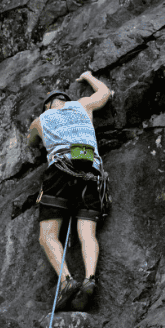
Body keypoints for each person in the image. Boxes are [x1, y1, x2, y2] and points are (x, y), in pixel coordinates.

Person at [27, 71, 112, 310]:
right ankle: (90, 279)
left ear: (48, 105)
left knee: (48, 235)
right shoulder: (82, 105)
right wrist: (88, 76)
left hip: (60, 171)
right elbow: (104, 93)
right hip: (90, 169)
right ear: (66, 100)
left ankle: (66, 281)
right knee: (87, 233)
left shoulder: (41, 120)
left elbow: (31, 142)